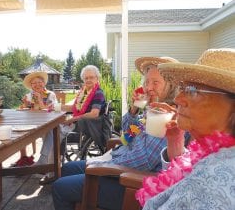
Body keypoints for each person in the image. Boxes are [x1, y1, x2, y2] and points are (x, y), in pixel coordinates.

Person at [52, 57, 189, 210]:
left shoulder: (168, 117)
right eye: (147, 82)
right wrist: (133, 110)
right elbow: (126, 137)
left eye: (155, 82)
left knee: (59, 187)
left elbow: (143, 161)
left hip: (133, 185)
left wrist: (108, 162)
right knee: (67, 168)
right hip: (121, 163)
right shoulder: (153, 111)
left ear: (171, 86)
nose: (148, 88)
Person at [136, 48, 235, 210]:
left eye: (193, 91)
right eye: (183, 88)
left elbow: (142, 156)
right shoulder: (218, 152)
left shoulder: (209, 185)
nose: (178, 98)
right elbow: (182, 175)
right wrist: (175, 141)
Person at [12, 71, 58, 167]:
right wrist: (25, 104)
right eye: (34, 83)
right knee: (19, 128)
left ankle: (43, 160)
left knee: (50, 130)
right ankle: (24, 157)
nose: (37, 84)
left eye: (39, 82)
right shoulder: (29, 95)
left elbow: (50, 110)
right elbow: (25, 110)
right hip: (32, 122)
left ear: (44, 83)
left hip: (47, 122)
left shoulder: (50, 94)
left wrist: (40, 99)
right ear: (31, 85)